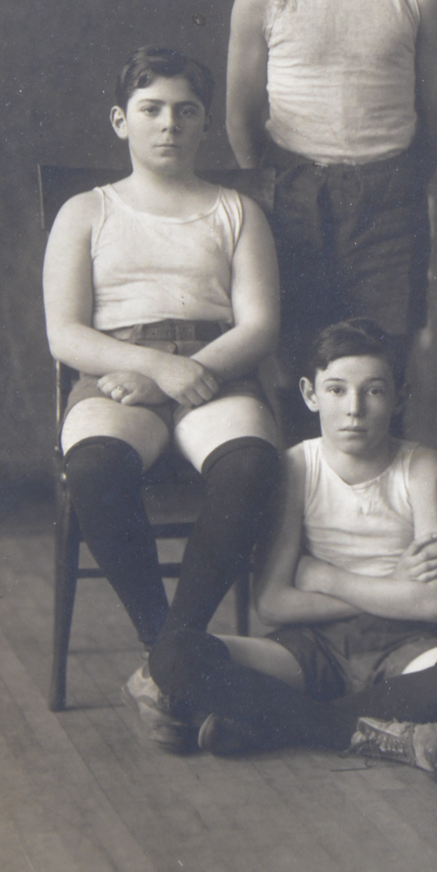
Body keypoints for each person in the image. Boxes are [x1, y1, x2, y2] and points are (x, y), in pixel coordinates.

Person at [42, 45, 283, 741]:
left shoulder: (236, 210)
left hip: (217, 363)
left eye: (186, 111)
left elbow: (261, 322)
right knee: (93, 466)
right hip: (116, 369)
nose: (168, 125)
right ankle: (165, 649)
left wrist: (186, 371)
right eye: (150, 110)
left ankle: (172, 655)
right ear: (121, 120)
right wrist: (149, 368)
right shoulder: (86, 211)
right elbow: (64, 332)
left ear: (205, 124)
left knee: (250, 463)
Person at [173, 321, 437, 771]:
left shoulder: (421, 465)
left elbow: (431, 604)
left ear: (399, 397)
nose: (354, 409)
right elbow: (273, 603)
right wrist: (390, 588)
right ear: (310, 394)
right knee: (175, 656)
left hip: (402, 645)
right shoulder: (297, 465)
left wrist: (325, 577)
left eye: (373, 391)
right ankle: (372, 729)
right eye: (336, 390)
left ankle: (283, 722)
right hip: (311, 646)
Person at [225, 0, 437, 424]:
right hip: (292, 199)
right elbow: (241, 122)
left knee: (379, 380)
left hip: (389, 206)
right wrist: (283, 191)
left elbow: (436, 120)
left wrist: (390, 184)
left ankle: (381, 523)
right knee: (301, 371)